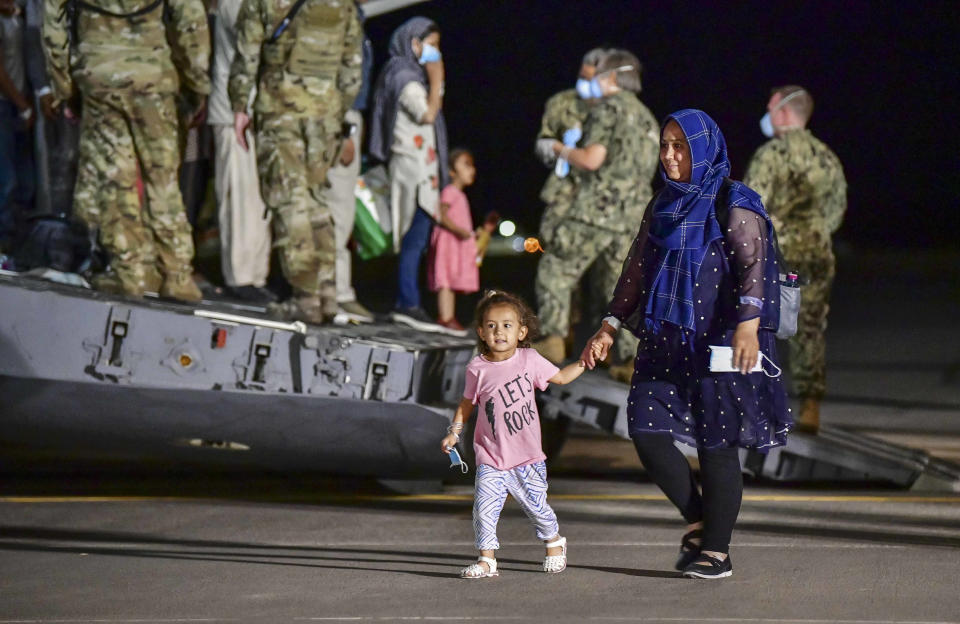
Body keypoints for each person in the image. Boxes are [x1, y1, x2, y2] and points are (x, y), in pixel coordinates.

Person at [582, 109, 792, 579]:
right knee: (645, 430)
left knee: (716, 445)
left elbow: (754, 267)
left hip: (721, 340)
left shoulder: (733, 202)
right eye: (665, 145)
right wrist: (611, 323)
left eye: (681, 146)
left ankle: (717, 551)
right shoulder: (662, 205)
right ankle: (700, 522)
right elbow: (637, 269)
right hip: (666, 337)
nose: (671, 155)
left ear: (703, 149)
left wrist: (748, 325)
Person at [42, 0, 209, 301]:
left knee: (116, 177)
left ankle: (128, 271)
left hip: (100, 74)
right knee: (163, 179)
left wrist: (64, 88)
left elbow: (53, 23)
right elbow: (190, 19)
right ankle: (177, 274)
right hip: (152, 76)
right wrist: (196, 85)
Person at [230, 0, 363, 323]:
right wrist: (332, 110)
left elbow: (247, 54)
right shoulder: (343, 5)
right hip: (325, 115)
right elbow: (352, 70)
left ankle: (305, 297)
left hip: (280, 109)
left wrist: (240, 106)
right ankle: (327, 294)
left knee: (290, 200)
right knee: (317, 200)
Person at [441, 290, 589, 579]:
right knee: (484, 510)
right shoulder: (477, 368)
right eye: (492, 326)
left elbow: (559, 377)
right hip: (491, 456)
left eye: (507, 325)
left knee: (537, 508)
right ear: (482, 332)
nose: (499, 332)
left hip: (527, 456)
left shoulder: (529, 359)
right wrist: (454, 433)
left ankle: (554, 543)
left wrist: (584, 361)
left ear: (521, 332)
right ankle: (486, 560)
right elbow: (467, 403)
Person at [534, 49, 659, 382]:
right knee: (621, 288)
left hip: (597, 210)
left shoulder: (608, 109)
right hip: (634, 219)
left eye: (601, 75)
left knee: (556, 268)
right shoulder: (649, 119)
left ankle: (553, 340)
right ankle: (627, 360)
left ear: (613, 77)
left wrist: (559, 149)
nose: (596, 82)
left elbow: (592, 159)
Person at [744, 86, 847, 433]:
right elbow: (836, 211)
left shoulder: (771, 154)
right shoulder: (827, 157)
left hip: (778, 255)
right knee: (811, 329)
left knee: (756, 322)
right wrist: (813, 234)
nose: (767, 116)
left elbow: (752, 205)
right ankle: (809, 407)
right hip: (816, 253)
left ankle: (756, 400)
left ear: (785, 113)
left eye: (771, 109)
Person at [368, 16, 448, 331]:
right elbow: (427, 113)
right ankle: (407, 302)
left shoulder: (410, 76)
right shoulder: (404, 76)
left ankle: (409, 300)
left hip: (421, 171)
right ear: (414, 44)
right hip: (412, 173)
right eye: (432, 46)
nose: (436, 53)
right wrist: (437, 76)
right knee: (412, 239)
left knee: (416, 238)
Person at [208, 0, 273, 304]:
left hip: (257, 112)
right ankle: (239, 276)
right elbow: (260, 36)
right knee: (238, 197)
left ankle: (256, 275)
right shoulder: (236, 3)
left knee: (258, 201)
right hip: (232, 112)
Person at [323, 0, 375, 324]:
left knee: (340, 214)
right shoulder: (339, 15)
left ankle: (335, 289)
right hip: (340, 120)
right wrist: (345, 131)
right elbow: (336, 77)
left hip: (347, 119)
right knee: (336, 213)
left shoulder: (354, 16)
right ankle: (335, 292)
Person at [427, 148, 477, 334]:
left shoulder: (461, 195)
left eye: (472, 166)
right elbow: (442, 214)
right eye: (465, 165)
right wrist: (459, 231)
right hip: (448, 242)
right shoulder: (449, 191)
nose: (471, 170)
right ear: (452, 171)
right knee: (445, 278)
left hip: (456, 243)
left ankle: (449, 316)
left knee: (451, 278)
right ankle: (445, 317)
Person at [0, 0, 35, 253]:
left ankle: (19, 241)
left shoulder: (18, 17)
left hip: (19, 104)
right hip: (5, 105)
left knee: (25, 181)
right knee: (8, 179)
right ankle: (5, 241)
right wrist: (22, 104)